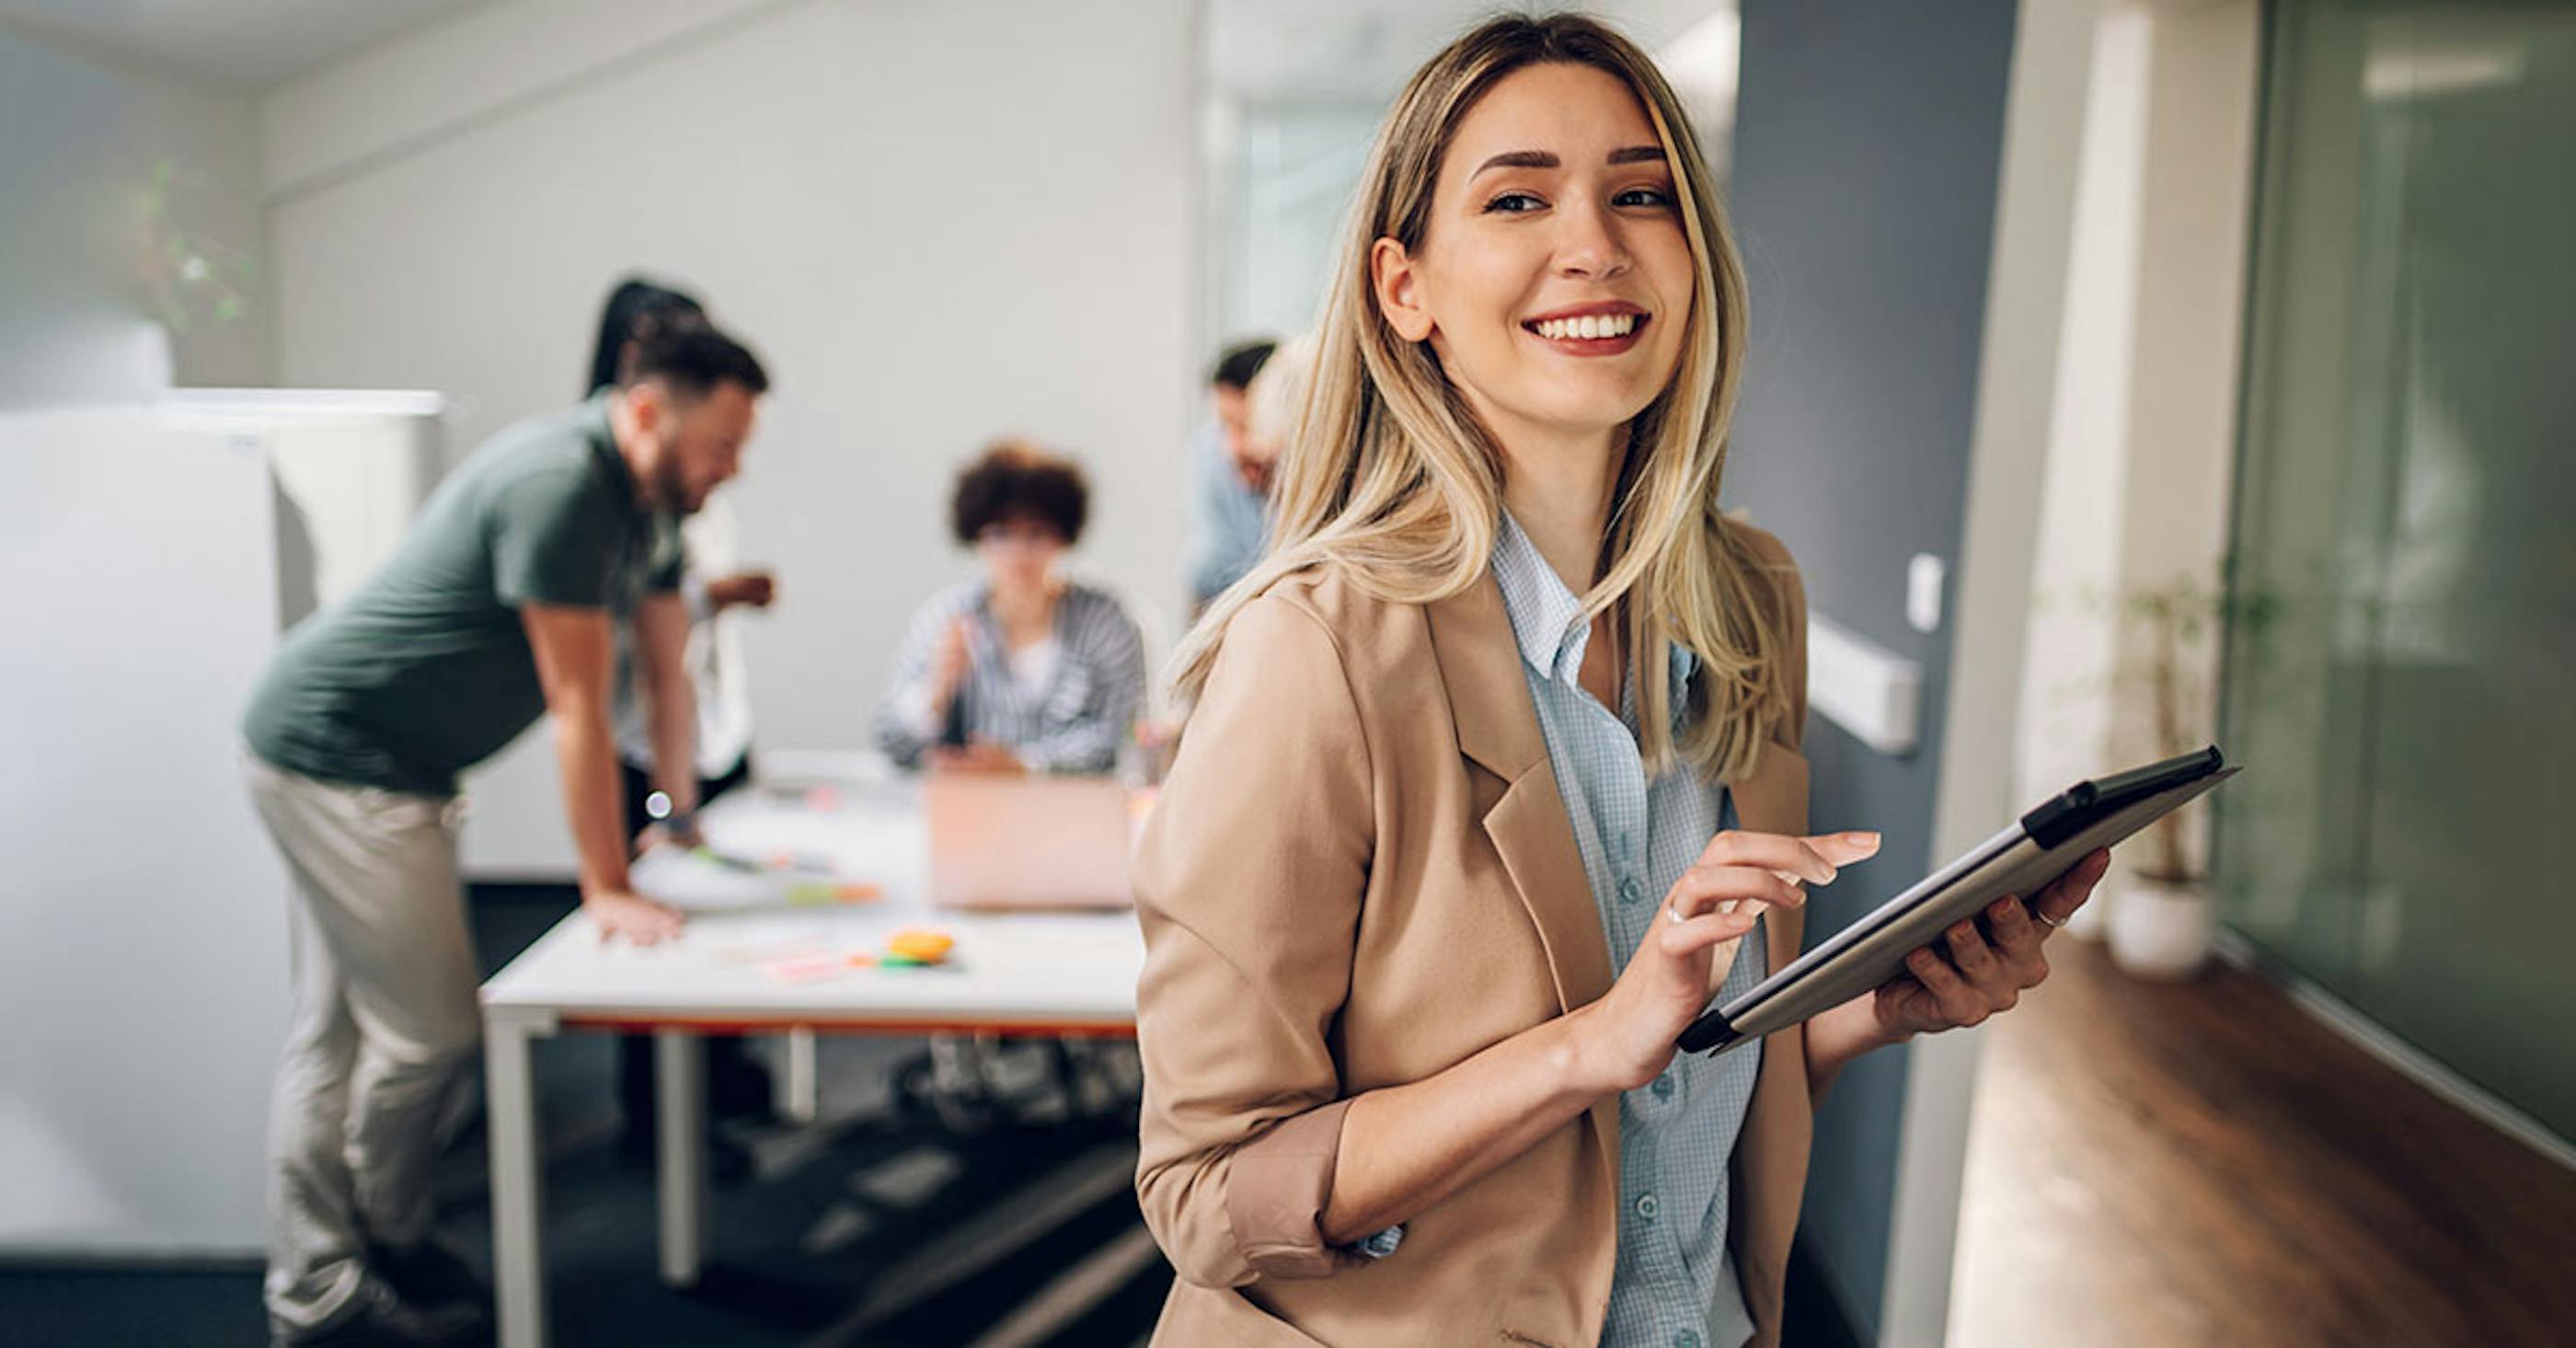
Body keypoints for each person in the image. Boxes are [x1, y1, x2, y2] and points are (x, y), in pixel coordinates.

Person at [1130, 17, 2111, 1348]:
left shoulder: (1749, 598)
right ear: (1403, 287)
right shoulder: (1318, 651)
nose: (1593, 241)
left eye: (1641, 192)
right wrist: (1588, 1042)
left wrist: (1867, 1011)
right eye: (1519, 196)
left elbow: (1666, 1106)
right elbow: (1207, 1196)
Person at [242, 323, 769, 1346]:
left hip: (393, 766)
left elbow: (660, 677)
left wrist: (679, 819)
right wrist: (605, 884)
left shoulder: (652, 503)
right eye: (721, 442)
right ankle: (353, 1263)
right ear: (650, 411)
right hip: (338, 756)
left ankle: (333, 1266)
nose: (732, 466)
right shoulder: (561, 484)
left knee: (344, 1029)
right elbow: (577, 707)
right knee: (426, 1032)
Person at [585, 279, 779, 1168]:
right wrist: (663, 804)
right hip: (645, 738)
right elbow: (616, 671)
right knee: (652, 929)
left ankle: (715, 1088)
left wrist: (684, 791)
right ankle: (658, 1126)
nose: (731, 464)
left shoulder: (680, 495)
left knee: (717, 919)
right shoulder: (598, 494)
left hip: (702, 732)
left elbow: (674, 666)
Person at [873, 442, 1146, 774]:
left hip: (1075, 814)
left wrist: (1024, 764)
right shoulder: (946, 619)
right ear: (977, 537)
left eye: (1036, 534)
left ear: (1062, 537)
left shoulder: (1105, 623)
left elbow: (1122, 740)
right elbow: (891, 742)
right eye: (1001, 535)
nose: (1018, 555)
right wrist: (934, 693)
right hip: (971, 813)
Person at [1186, 339, 1277, 607]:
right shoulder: (1208, 454)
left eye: (1248, 426)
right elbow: (1206, 575)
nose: (1233, 448)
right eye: (1226, 425)